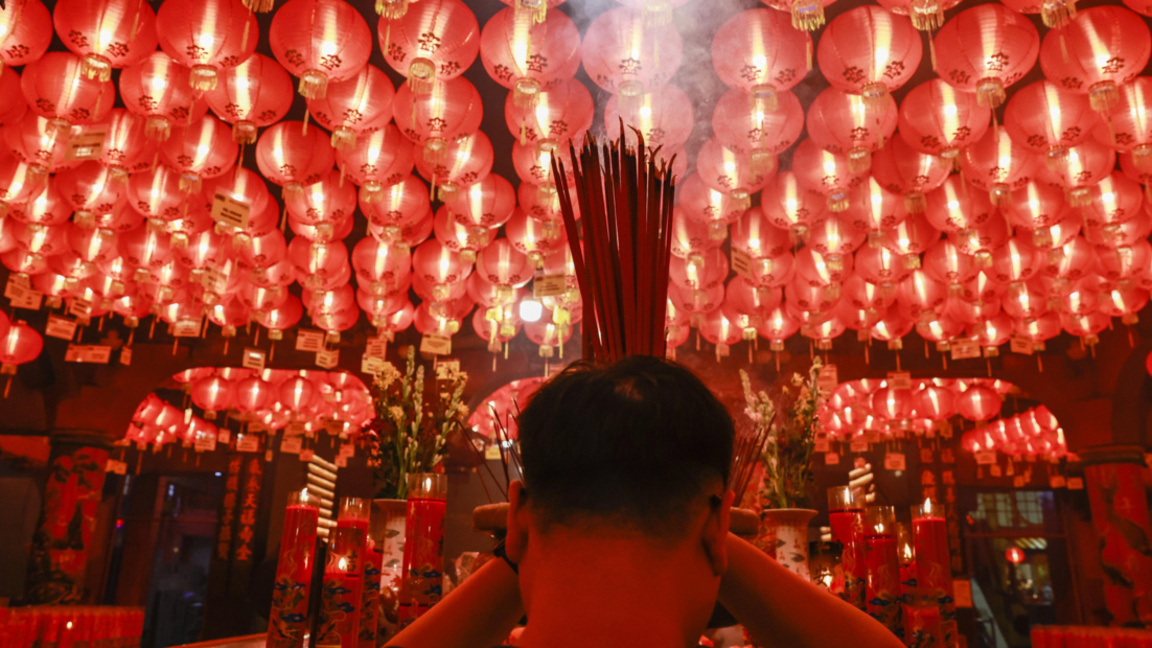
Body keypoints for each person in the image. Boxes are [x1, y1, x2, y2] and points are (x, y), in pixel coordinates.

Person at [386, 356, 904, 648]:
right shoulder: (714, 532)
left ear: (519, 519)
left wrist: (517, 544)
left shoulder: (519, 532)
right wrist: (714, 527)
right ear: (717, 528)